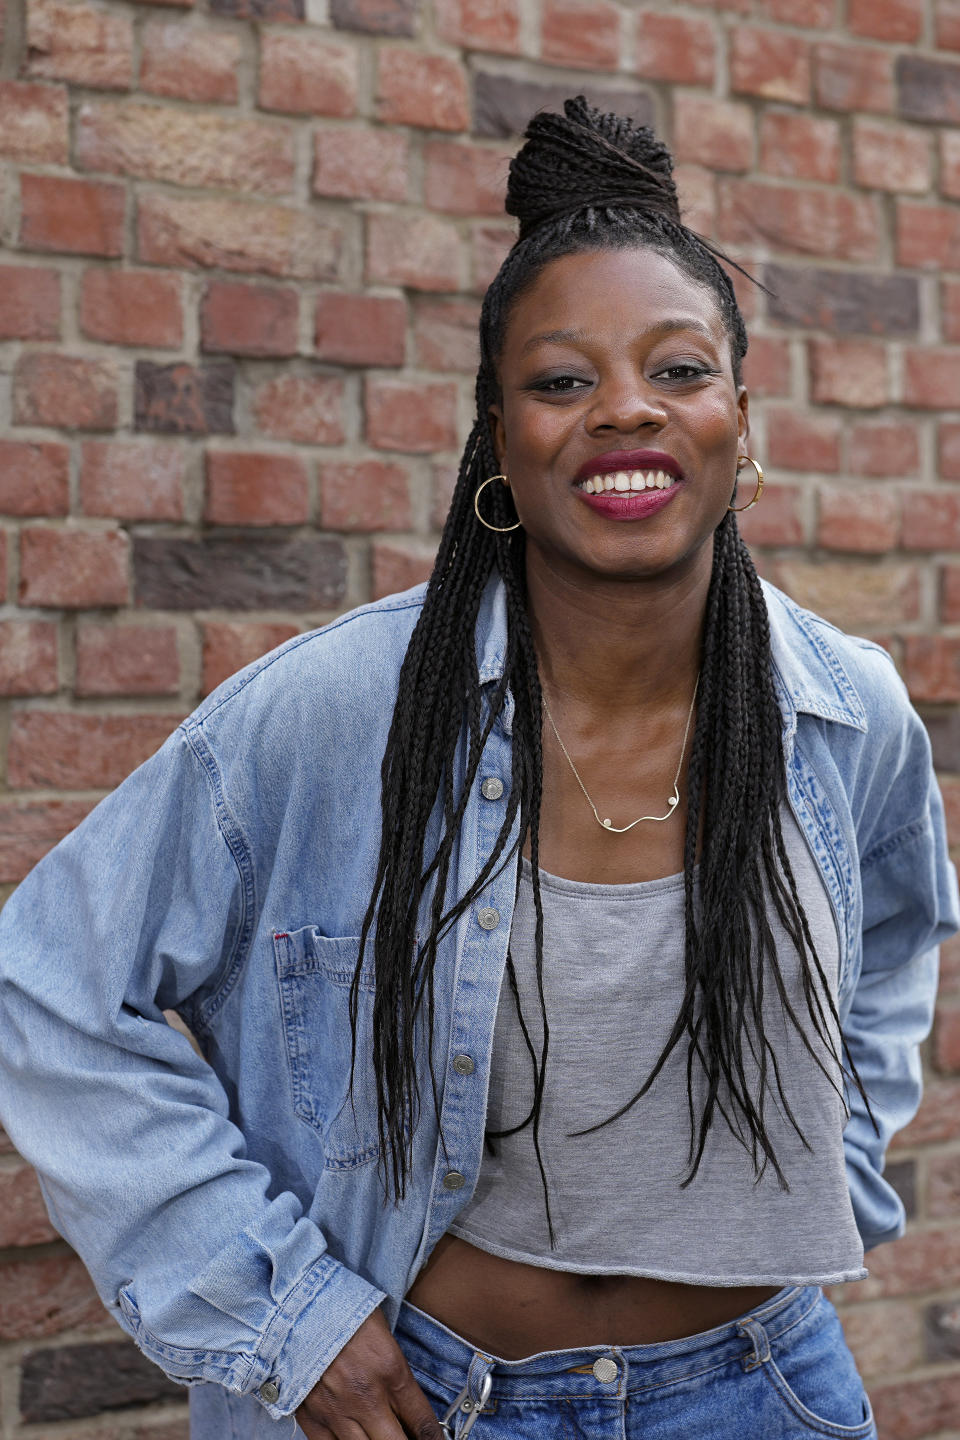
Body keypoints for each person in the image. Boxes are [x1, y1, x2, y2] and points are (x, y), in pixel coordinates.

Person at [0, 97, 956, 1440]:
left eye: (678, 370)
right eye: (563, 381)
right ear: (498, 440)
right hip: (436, 1405)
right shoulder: (338, 713)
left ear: (742, 416)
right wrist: (288, 1319)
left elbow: (895, 950)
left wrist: (837, 1177)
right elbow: (47, 981)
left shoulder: (845, 713)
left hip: (762, 1394)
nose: (626, 409)